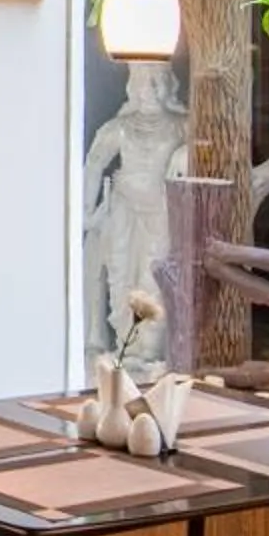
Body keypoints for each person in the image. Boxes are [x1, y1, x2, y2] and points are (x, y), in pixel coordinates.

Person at [82, 62, 189, 365]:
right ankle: (126, 347)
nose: (150, 90)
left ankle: (150, 349)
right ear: (131, 87)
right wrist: (87, 212)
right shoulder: (120, 128)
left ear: (170, 85)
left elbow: (207, 143)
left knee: (154, 277)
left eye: (157, 81)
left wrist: (185, 152)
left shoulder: (182, 126)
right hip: (123, 208)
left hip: (161, 211)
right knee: (121, 277)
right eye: (142, 81)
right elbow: (94, 163)